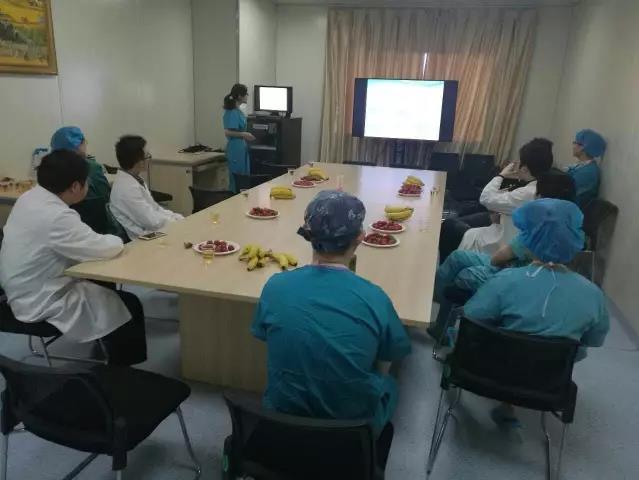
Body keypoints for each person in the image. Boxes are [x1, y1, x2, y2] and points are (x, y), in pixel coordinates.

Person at [252, 191, 411, 464]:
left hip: (281, 419)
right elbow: (384, 363)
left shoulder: (275, 286)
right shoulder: (375, 298)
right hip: (349, 431)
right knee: (392, 384)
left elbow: (269, 339)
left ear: (308, 235)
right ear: (360, 238)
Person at [463, 198, 609, 426]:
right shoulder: (593, 295)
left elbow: (471, 319)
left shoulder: (505, 281)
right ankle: (510, 405)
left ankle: (507, 403)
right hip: (549, 382)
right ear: (575, 241)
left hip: (489, 373)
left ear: (528, 240)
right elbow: (593, 340)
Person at [0, 150, 147, 365]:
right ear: (76, 186)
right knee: (129, 304)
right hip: (41, 300)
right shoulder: (57, 217)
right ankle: (121, 372)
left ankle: (107, 345)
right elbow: (103, 248)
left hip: (19, 289)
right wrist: (118, 239)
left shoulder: (29, 198)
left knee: (102, 286)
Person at [428, 171, 577, 340]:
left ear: (541, 197)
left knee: (463, 273)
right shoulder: (571, 229)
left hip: (512, 274)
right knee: (459, 257)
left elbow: (497, 259)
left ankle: (443, 324)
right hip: (526, 273)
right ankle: (434, 299)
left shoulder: (537, 230)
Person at [439, 138, 554, 262]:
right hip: (501, 226)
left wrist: (501, 175)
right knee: (466, 217)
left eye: (519, 162)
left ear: (525, 169)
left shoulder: (526, 194)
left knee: (449, 226)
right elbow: (501, 201)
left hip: (498, 244)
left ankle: (445, 265)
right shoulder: (541, 187)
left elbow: (485, 198)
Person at [109, 135, 184, 240]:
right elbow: (152, 222)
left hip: (154, 229)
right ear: (138, 161)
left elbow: (155, 209)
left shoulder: (135, 178)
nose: (149, 159)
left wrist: (178, 218)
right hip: (143, 238)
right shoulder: (126, 189)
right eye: (147, 156)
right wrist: (177, 223)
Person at [50, 126, 115, 234]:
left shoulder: (52, 173)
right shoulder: (93, 168)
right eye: (85, 142)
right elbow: (104, 196)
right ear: (79, 145)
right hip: (100, 228)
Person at [223, 83, 255, 193]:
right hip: (235, 148)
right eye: (246, 94)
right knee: (237, 179)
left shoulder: (238, 111)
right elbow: (227, 131)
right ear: (240, 96)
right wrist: (244, 134)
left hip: (241, 147)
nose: (247, 96)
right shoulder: (232, 112)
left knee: (244, 177)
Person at [567, 129, 606, 208]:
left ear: (582, 147)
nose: (573, 146)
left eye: (575, 142)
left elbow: (568, 192)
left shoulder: (589, 172)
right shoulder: (582, 166)